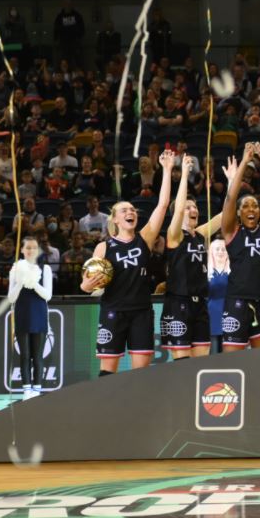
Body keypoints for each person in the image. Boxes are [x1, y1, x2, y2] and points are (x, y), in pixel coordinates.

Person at [80, 150, 175, 373]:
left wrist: (168, 170)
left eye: (133, 210)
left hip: (141, 311)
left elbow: (162, 206)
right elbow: (85, 284)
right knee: (107, 373)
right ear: (114, 219)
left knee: (140, 375)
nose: (131, 212)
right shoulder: (103, 247)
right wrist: (86, 286)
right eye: (124, 210)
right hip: (113, 311)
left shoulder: (144, 239)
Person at [220, 143, 260, 350]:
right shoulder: (231, 231)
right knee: (232, 366)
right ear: (238, 213)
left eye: (255, 205)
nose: (251, 208)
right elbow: (230, 199)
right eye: (245, 205)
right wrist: (244, 162)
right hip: (237, 302)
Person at [161, 155, 222, 360]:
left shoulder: (200, 235)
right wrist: (186, 173)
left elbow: (222, 218)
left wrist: (233, 182)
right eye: (188, 207)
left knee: (200, 365)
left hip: (200, 304)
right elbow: (177, 208)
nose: (193, 209)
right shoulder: (174, 234)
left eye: (195, 207)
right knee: (183, 364)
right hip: (179, 303)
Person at [7, 236, 53, 399]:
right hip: (22, 313)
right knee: (25, 354)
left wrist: (33, 283)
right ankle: (27, 390)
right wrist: (20, 282)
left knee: (37, 355)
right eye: (27, 248)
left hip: (39, 313)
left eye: (34, 247)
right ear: (22, 250)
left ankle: (37, 389)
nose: (31, 250)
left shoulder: (45, 268)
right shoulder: (15, 269)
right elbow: (11, 298)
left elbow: (47, 295)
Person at [207, 239, 230, 354]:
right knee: (213, 353)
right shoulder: (206, 272)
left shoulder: (234, 271)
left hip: (230, 315)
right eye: (217, 249)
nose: (221, 252)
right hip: (211, 316)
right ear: (211, 252)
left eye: (223, 249)